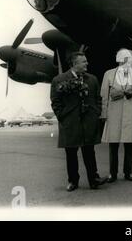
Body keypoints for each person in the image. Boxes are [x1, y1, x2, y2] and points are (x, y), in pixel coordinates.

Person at [50, 52, 107, 191]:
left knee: (89, 151)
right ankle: (73, 181)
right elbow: (55, 102)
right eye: (83, 62)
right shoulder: (59, 80)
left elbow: (98, 99)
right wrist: (62, 116)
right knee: (71, 153)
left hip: (88, 121)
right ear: (74, 64)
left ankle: (94, 179)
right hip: (70, 123)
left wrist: (96, 112)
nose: (87, 63)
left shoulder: (92, 79)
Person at [100, 49, 132, 183]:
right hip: (114, 114)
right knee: (113, 145)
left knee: (129, 144)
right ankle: (113, 173)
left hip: (130, 113)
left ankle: (128, 173)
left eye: (129, 58)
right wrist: (104, 114)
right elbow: (104, 95)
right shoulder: (109, 74)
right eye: (125, 58)